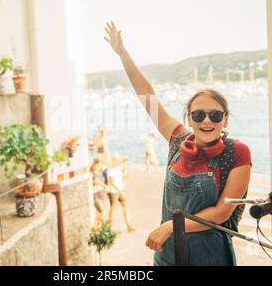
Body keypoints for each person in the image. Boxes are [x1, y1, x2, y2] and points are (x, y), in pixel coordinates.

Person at [104, 21, 251, 266]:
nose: (207, 121)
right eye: (198, 115)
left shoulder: (236, 153)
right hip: (168, 256)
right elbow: (148, 97)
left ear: (225, 120)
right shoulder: (177, 141)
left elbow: (221, 213)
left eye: (215, 115)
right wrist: (122, 53)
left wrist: (172, 226)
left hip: (210, 258)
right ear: (189, 118)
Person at [106, 153, 136, 232]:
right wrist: (120, 191)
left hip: (120, 190)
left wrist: (125, 165)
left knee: (125, 207)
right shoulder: (110, 169)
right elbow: (111, 182)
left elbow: (123, 175)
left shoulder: (118, 168)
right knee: (113, 209)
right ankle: (110, 226)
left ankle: (129, 226)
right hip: (114, 191)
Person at [90, 159, 109, 228]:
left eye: (100, 165)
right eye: (98, 165)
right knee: (102, 212)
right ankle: (97, 227)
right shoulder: (92, 173)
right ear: (95, 165)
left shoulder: (100, 172)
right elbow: (95, 181)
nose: (99, 166)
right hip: (96, 195)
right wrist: (104, 186)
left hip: (102, 194)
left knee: (99, 213)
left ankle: (98, 228)